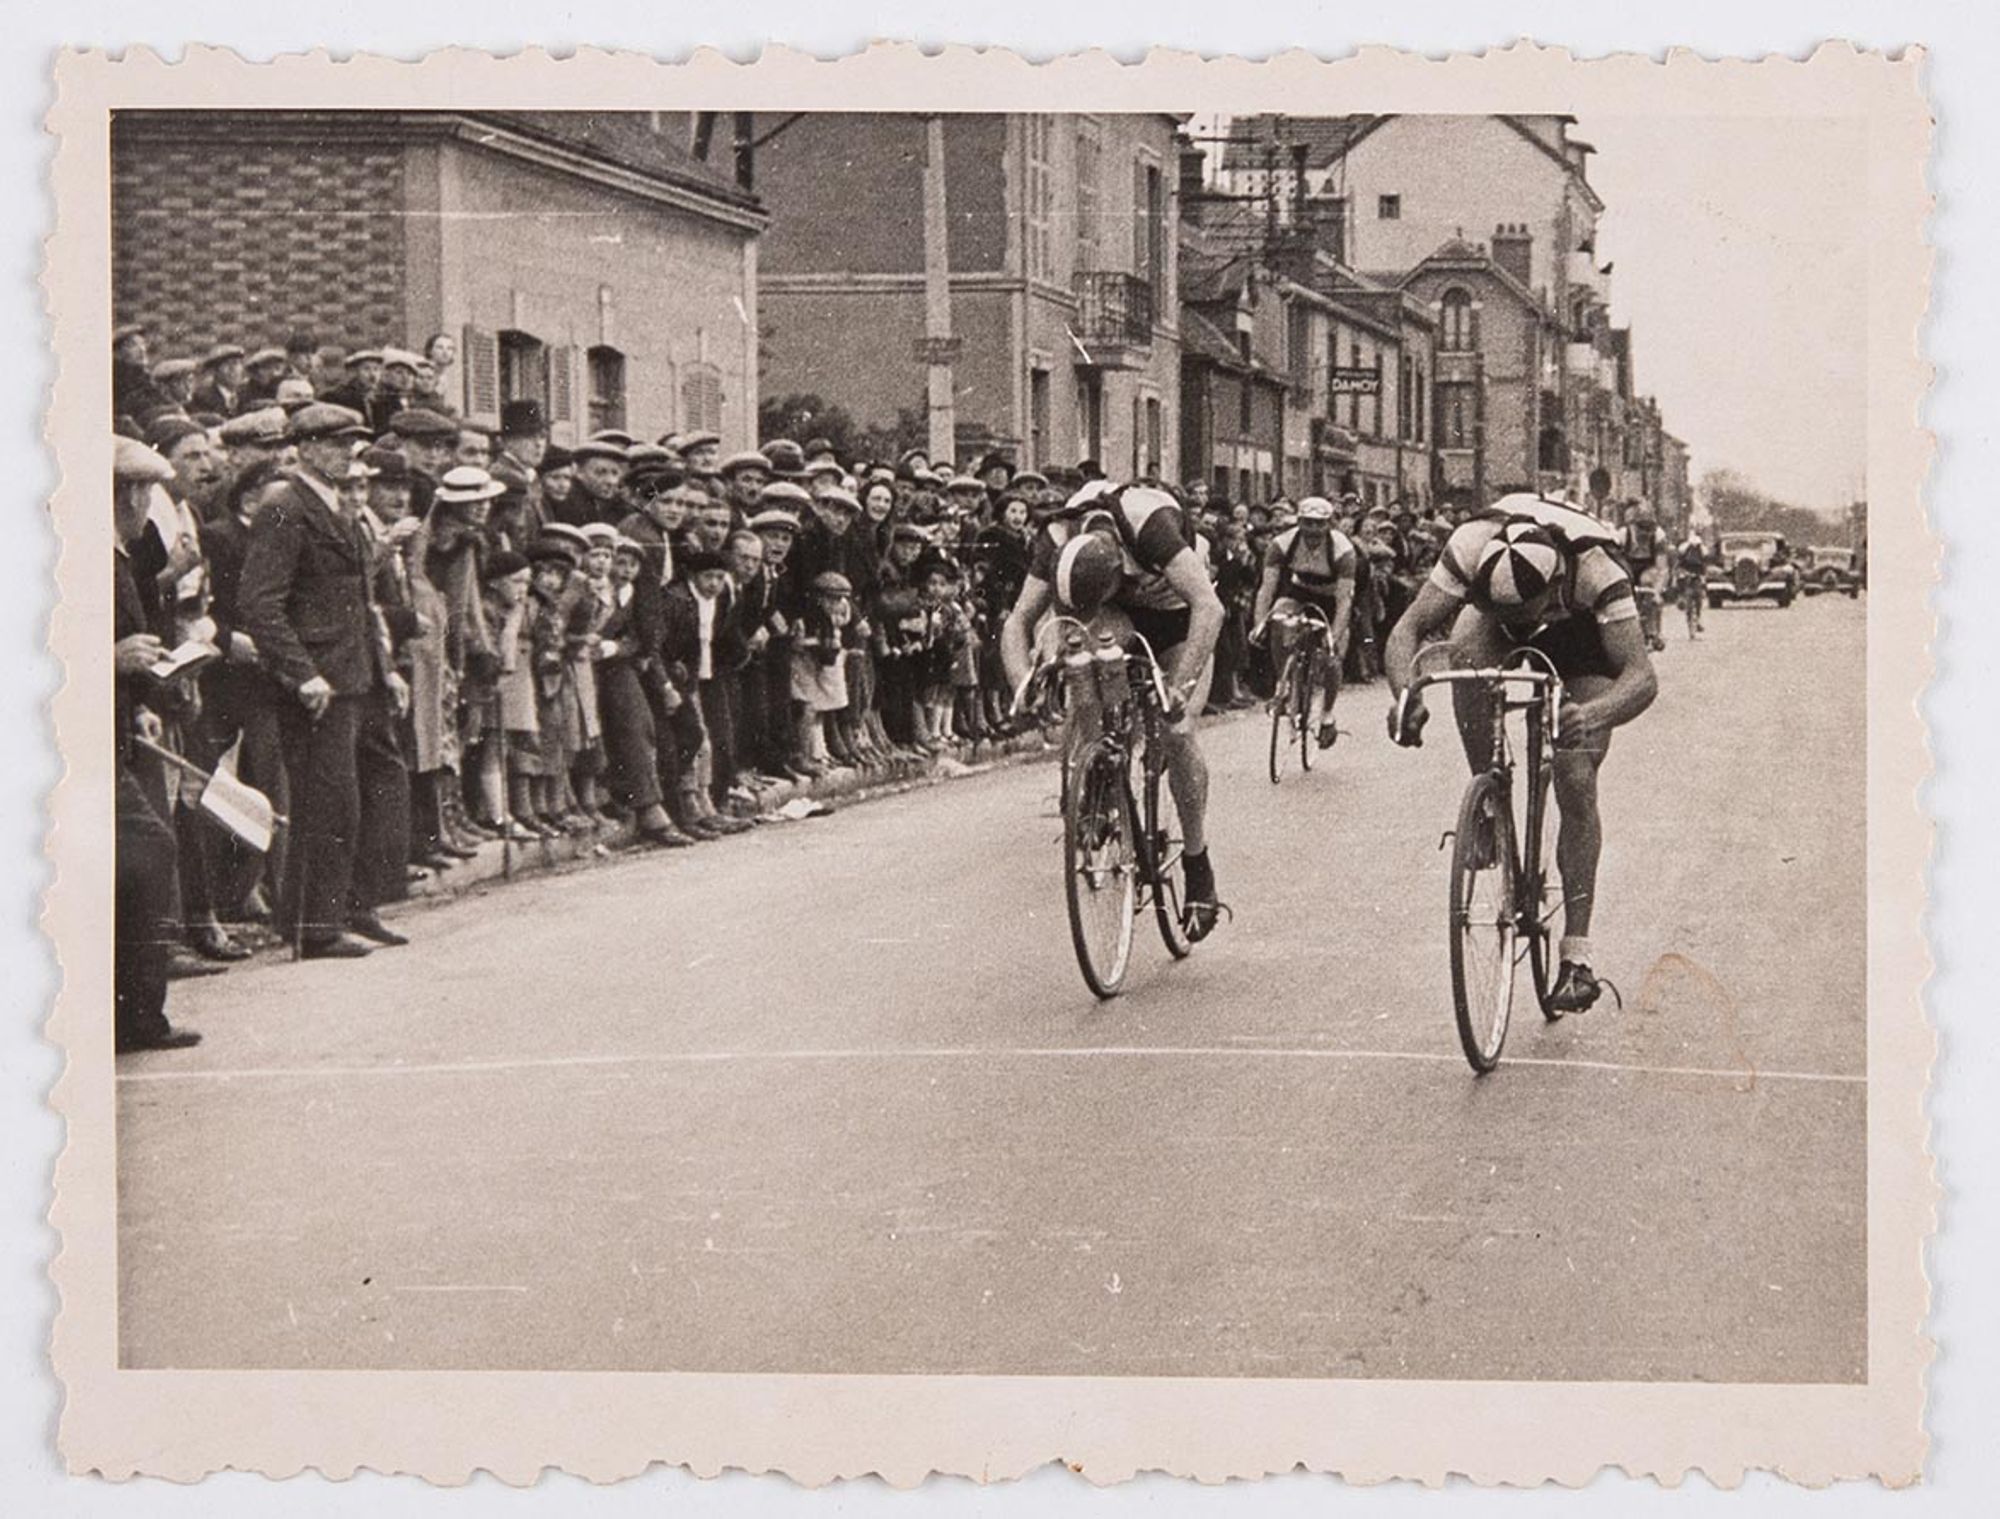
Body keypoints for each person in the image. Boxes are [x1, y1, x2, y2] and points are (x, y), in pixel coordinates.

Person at [1382, 492, 1659, 1012]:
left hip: (1580, 636)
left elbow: (1641, 678)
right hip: (1492, 622)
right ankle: (1488, 801)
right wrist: (1405, 696)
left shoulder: (1597, 572)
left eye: (1528, 612)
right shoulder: (1469, 547)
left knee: (1576, 777)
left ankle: (1577, 958)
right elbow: (1407, 631)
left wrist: (1592, 714)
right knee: (1466, 654)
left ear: (1555, 586)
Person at [1000, 482, 1228, 939]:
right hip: (1111, 614)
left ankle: (1198, 863)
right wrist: (1022, 684)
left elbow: (1210, 608)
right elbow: (1018, 621)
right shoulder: (1057, 535)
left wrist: (1181, 686)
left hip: (1179, 616)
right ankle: (1100, 775)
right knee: (1077, 652)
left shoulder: (1150, 526)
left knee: (1178, 732)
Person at [235, 403, 411, 959]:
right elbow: (260, 603)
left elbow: (359, 596)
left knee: (364, 792)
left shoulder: (333, 505)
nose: (346, 452)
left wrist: (382, 669)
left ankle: (345, 909)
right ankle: (315, 927)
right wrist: (302, 674)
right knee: (328, 802)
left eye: (351, 444)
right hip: (320, 682)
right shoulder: (285, 505)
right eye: (335, 444)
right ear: (306, 447)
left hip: (354, 673)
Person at [1248, 494, 1356, 748]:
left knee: (1333, 656)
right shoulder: (1281, 544)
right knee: (1277, 618)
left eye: (1320, 524)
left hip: (1331, 598)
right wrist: (1258, 624)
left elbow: (1344, 603)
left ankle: (1327, 715)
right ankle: (1283, 686)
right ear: (1299, 522)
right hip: (1299, 590)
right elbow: (1267, 589)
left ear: (1329, 524)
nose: (1314, 530)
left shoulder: (1343, 551)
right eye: (1308, 523)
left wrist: (1334, 638)